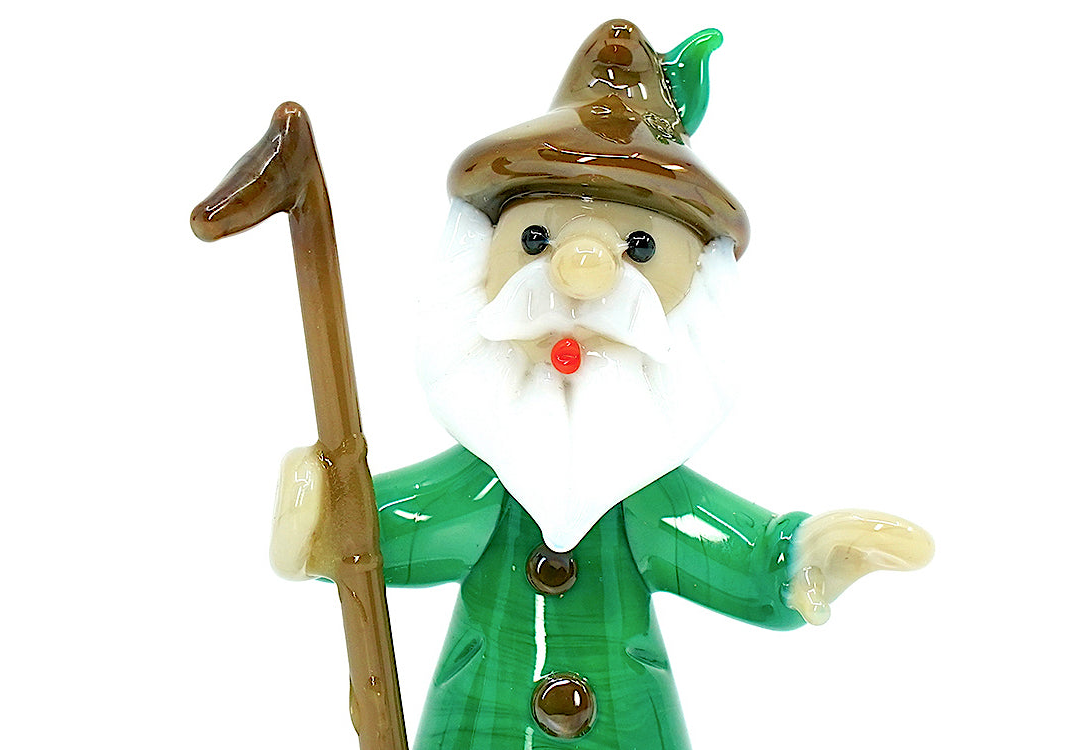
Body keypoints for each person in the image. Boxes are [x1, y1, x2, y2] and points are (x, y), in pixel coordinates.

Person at [270, 19, 933, 750]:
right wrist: (325, 517)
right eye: (536, 240)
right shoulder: (492, 474)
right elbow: (390, 533)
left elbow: (725, 550)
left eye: (639, 248)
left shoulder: (641, 484)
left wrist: (798, 559)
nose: (579, 275)